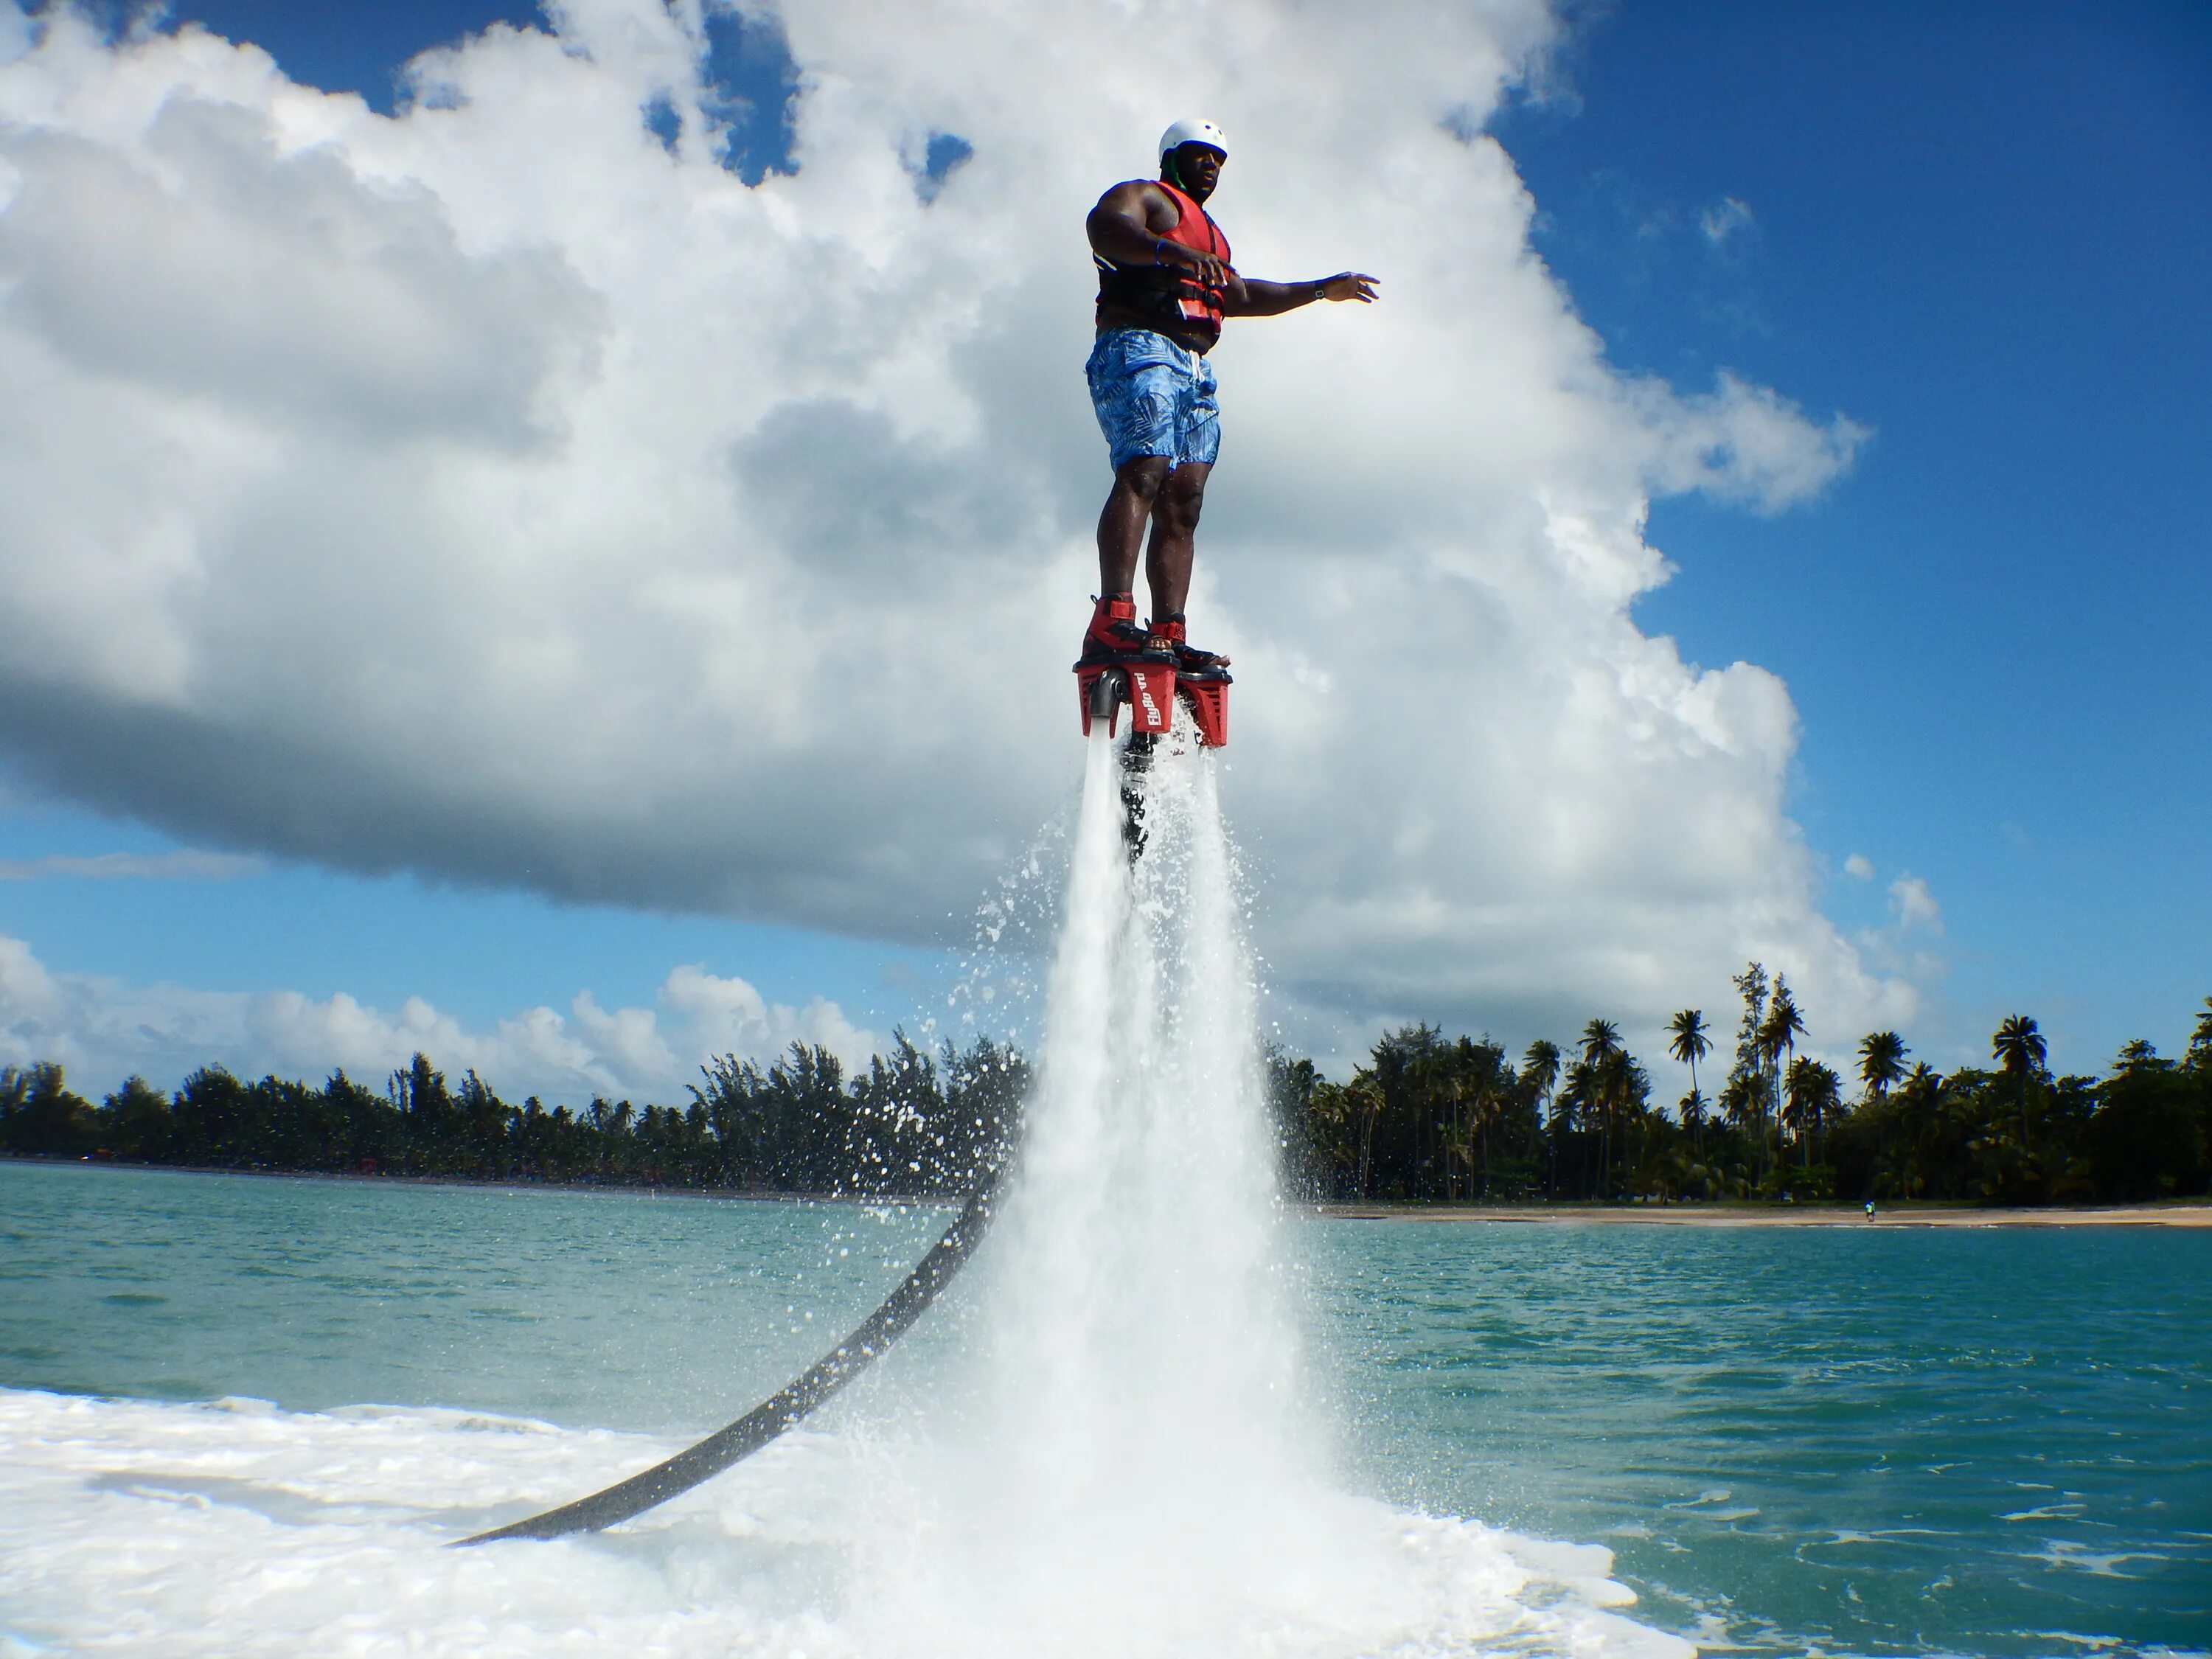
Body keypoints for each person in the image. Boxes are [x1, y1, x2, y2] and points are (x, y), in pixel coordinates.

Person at [1080, 119, 1379, 670]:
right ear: (1171, 157)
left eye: (1218, 160)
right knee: (1145, 470)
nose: (1211, 168)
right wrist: (1166, 253)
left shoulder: (1213, 237)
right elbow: (1106, 229)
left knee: (1185, 497)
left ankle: (1168, 629)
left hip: (1195, 368)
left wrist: (1319, 290)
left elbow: (1239, 295)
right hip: (1141, 346)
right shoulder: (1143, 198)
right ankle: (1113, 620)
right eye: (1199, 156)